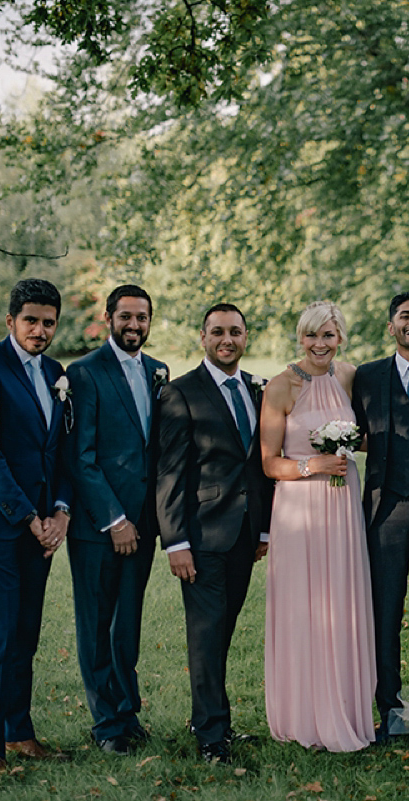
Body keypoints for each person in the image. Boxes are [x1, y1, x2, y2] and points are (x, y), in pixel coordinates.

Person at [0, 278, 72, 775]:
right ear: (11, 321)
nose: (40, 330)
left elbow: (60, 450)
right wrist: (29, 517)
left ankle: (20, 733)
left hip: (43, 529)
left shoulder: (55, 372)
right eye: (31, 320)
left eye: (49, 322)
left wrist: (61, 513)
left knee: (26, 633)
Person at [156, 303, 273, 764]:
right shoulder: (180, 392)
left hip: (245, 535)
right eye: (218, 332)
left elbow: (260, 468)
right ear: (202, 337)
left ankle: (208, 717)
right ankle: (211, 737)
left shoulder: (256, 389)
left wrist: (263, 529)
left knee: (222, 632)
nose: (228, 340)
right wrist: (176, 542)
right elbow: (168, 472)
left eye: (236, 332)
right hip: (202, 538)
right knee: (205, 637)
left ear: (246, 337)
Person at [261, 300, 376, 752]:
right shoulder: (281, 386)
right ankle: (303, 713)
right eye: (311, 335)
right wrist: (313, 466)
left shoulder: (348, 376)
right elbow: (270, 464)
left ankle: (345, 707)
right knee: (304, 606)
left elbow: (366, 433)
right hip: (301, 509)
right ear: (300, 338)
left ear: (340, 337)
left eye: (328, 335)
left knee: (340, 604)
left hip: (343, 507)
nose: (320, 344)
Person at [65, 285, 168, 754]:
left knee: (127, 624)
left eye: (142, 317)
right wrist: (114, 519)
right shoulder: (85, 373)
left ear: (150, 321)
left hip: (144, 525)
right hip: (99, 528)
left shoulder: (157, 371)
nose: (134, 325)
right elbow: (80, 457)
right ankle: (106, 725)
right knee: (96, 624)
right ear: (108, 318)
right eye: (125, 316)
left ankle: (127, 714)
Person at [351, 291, 409, 740]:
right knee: (384, 612)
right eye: (404, 316)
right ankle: (387, 707)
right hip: (385, 508)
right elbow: (350, 434)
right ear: (391, 327)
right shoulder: (366, 377)